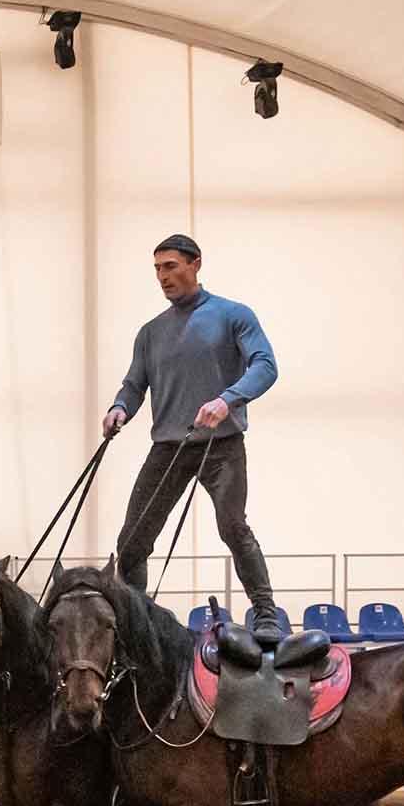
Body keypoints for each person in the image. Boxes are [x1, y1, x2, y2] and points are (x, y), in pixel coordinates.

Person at [103, 234, 284, 642]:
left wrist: (227, 399)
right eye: (157, 269)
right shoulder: (150, 333)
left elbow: (265, 365)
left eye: (170, 266)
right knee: (132, 541)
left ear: (195, 263)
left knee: (233, 527)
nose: (162, 277)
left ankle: (266, 614)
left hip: (222, 446)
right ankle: (136, 624)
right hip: (169, 447)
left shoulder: (233, 315)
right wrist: (119, 408)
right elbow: (134, 384)